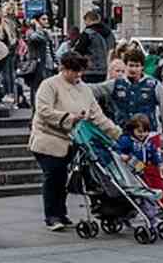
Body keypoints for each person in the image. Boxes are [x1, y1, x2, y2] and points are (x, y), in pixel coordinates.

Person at [28, 52, 121, 231]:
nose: (78, 75)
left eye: (80, 71)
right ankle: (52, 216)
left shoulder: (84, 89)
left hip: (72, 141)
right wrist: (71, 118)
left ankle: (61, 214)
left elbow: (98, 116)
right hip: (48, 139)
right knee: (53, 176)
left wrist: (117, 134)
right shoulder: (49, 85)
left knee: (64, 178)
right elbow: (44, 111)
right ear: (64, 69)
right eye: (74, 71)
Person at [116, 113, 163, 208]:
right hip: (132, 167)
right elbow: (117, 149)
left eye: (145, 131)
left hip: (142, 166)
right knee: (143, 186)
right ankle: (148, 206)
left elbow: (154, 153)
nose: (143, 134)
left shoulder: (148, 142)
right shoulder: (127, 140)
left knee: (151, 185)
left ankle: (158, 206)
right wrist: (122, 155)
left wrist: (160, 164)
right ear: (132, 130)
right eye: (139, 131)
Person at [72, 11, 116, 84]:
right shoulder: (110, 34)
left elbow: (78, 51)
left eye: (85, 22)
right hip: (105, 70)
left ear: (88, 20)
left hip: (90, 71)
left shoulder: (88, 33)